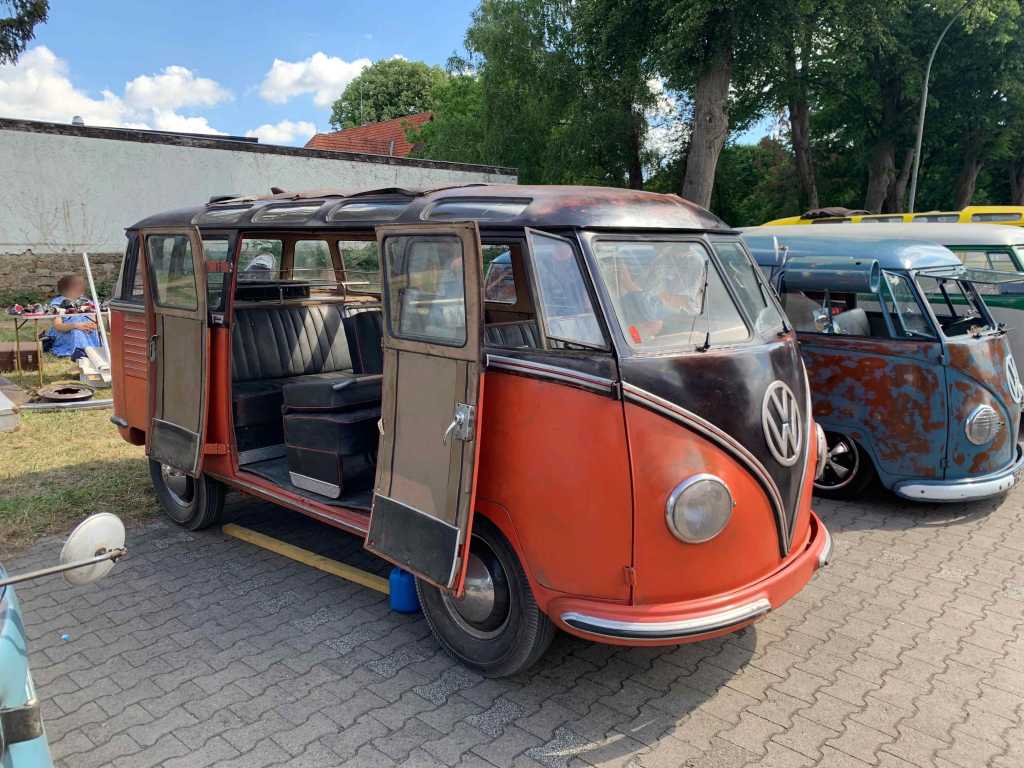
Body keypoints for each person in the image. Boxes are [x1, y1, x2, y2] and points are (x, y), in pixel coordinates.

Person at [48, 275, 101, 360]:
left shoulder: (86, 301)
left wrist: (92, 325)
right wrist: (76, 325)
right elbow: (58, 326)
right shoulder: (57, 303)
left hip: (87, 330)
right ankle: (80, 351)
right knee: (77, 331)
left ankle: (93, 350)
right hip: (67, 332)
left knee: (93, 330)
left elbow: (95, 321)